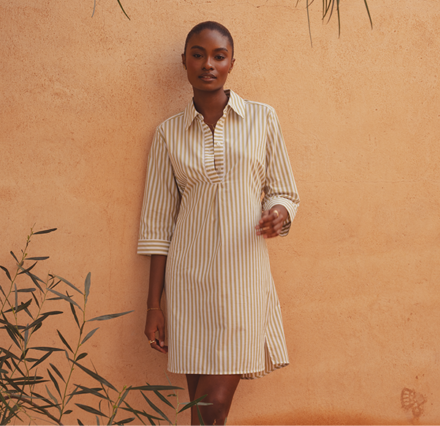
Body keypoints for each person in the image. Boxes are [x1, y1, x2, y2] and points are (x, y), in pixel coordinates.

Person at [138, 21, 300, 424]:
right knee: (202, 414)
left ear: (231, 63)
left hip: (243, 280)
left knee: (211, 410)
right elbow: (159, 225)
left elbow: (285, 192)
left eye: (218, 56)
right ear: (185, 61)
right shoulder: (168, 134)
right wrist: (153, 305)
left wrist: (278, 214)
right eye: (198, 54)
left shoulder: (263, 119)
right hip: (188, 283)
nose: (207, 64)